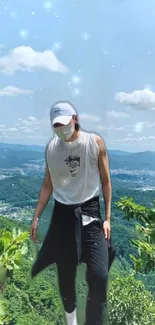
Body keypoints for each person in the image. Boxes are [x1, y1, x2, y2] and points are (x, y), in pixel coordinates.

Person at [30, 101, 116, 325]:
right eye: (56, 126)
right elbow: (48, 185)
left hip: (90, 209)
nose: (60, 129)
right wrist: (36, 216)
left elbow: (106, 182)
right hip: (63, 215)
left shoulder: (94, 143)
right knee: (66, 277)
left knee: (100, 274)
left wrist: (107, 219)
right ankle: (72, 321)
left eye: (64, 124)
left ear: (74, 119)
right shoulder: (51, 148)